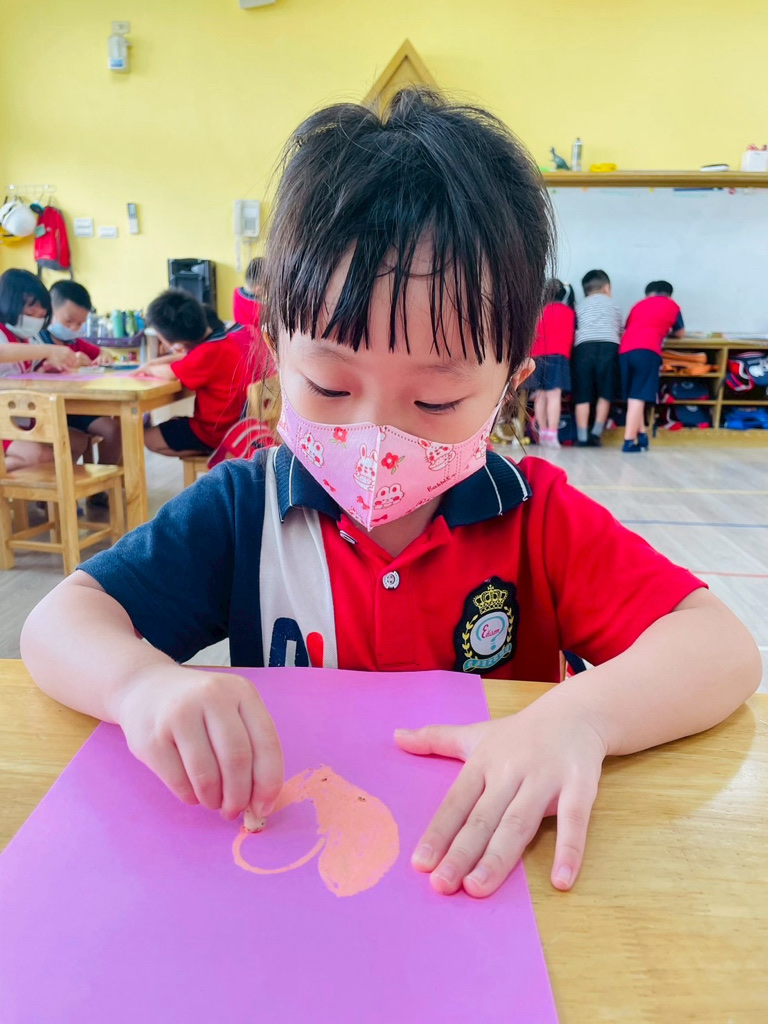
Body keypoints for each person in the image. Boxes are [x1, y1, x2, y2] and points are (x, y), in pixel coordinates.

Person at [21, 89, 759, 903]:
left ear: (510, 384)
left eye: (436, 401)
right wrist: (139, 685)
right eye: (330, 387)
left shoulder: (535, 516)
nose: (375, 434)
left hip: (496, 888)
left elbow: (721, 649)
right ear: (275, 350)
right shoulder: (243, 511)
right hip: (300, 883)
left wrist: (580, 717)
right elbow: (57, 624)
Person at [138, 290, 252, 457]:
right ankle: (216, 453)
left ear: (172, 341)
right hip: (241, 426)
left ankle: (216, 454)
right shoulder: (228, 339)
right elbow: (186, 357)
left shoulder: (206, 354)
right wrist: (150, 364)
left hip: (215, 433)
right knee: (174, 425)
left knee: (148, 438)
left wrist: (148, 368)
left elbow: (170, 373)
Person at [0, 268, 87, 471]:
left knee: (76, 442)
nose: (36, 319)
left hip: (22, 419)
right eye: (30, 313)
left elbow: (28, 371)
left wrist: (49, 369)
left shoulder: (27, 338)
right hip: (4, 425)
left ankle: (51, 491)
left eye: (41, 315)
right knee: (42, 455)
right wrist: (48, 350)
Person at [38, 280, 123, 469]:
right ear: (48, 310)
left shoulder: (74, 342)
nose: (74, 328)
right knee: (73, 442)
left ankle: (103, 480)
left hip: (77, 407)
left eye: (80, 323)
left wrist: (102, 358)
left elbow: (104, 354)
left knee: (114, 430)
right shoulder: (37, 341)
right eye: (68, 321)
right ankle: (66, 480)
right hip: (47, 410)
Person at [619, 280, 685, 452]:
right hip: (647, 351)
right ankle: (628, 442)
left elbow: (628, 326)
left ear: (648, 294)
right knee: (638, 397)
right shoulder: (672, 305)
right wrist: (667, 331)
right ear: (669, 294)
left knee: (635, 395)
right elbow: (680, 332)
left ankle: (642, 435)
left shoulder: (638, 305)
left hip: (624, 351)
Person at [571, 269, 622, 446]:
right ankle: (596, 433)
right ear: (607, 287)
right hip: (609, 347)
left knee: (583, 393)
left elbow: (575, 328)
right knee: (605, 392)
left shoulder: (580, 306)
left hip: (584, 347)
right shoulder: (614, 305)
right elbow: (620, 329)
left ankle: (582, 437)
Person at [529, 279, 576, 448]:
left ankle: (542, 433)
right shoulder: (569, 312)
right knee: (554, 396)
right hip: (558, 356)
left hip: (537, 357)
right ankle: (552, 434)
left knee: (540, 395)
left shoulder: (538, 311)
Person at [232, 256, 263, 330]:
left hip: (240, 334)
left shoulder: (236, 292)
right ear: (259, 288)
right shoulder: (261, 307)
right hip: (256, 336)